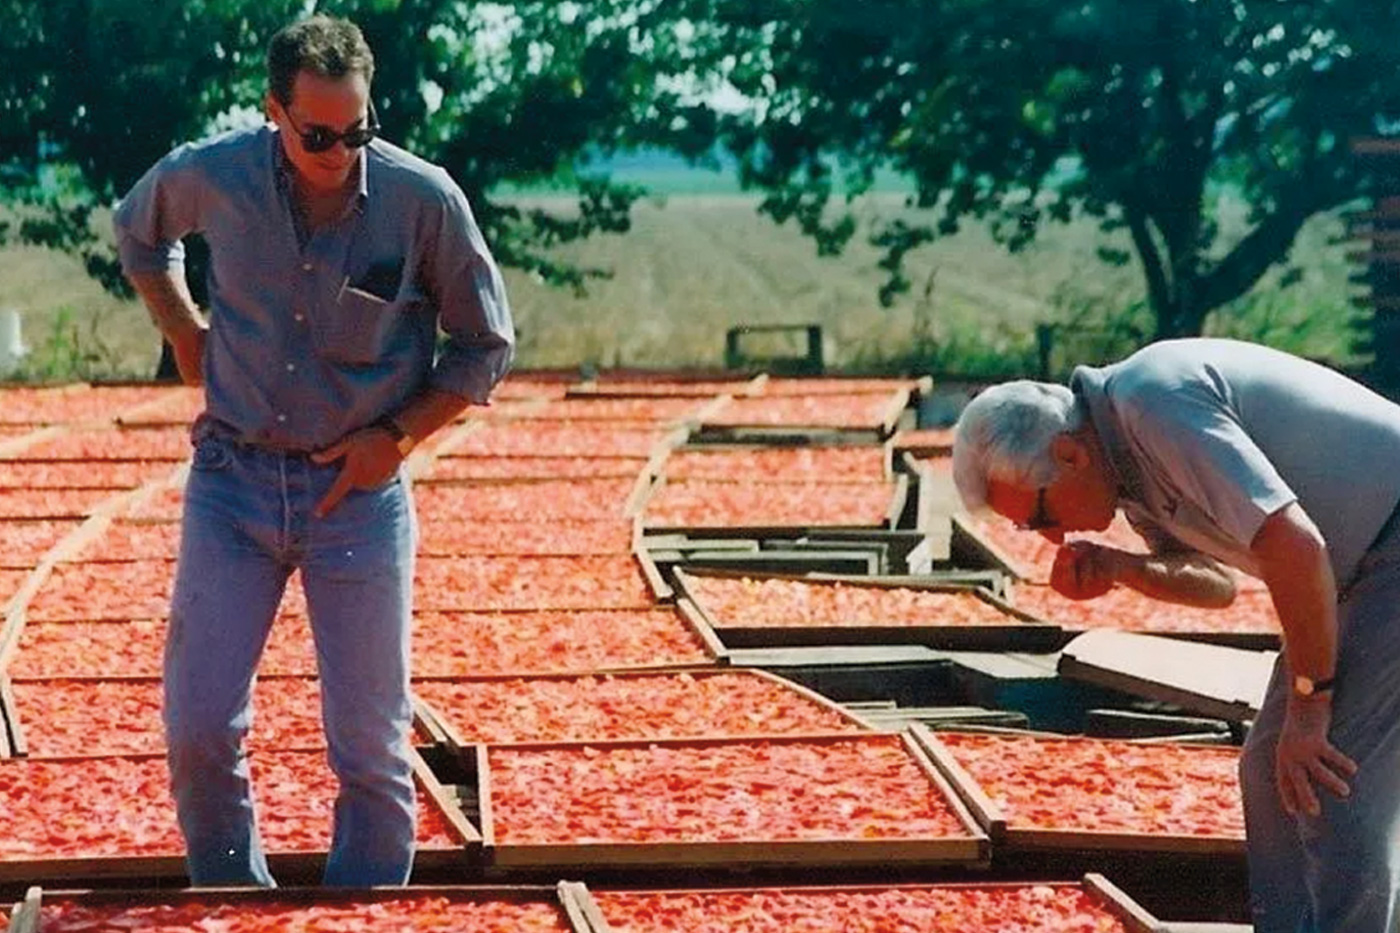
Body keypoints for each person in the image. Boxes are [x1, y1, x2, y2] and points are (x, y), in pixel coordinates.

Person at [113, 15, 514, 887]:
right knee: (198, 724)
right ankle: (227, 890)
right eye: (318, 134)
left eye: (358, 129)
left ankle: (361, 905)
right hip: (234, 483)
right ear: (275, 112)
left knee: (370, 740)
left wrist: (397, 437)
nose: (341, 151)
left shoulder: (423, 201)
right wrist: (182, 327)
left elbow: (485, 344)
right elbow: (138, 229)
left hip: (357, 496)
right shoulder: (216, 174)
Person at [952, 338, 1400, 933]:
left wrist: (1310, 708)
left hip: (1387, 546)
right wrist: (1121, 569)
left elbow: (1295, 547)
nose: (1051, 539)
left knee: (1325, 769)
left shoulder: (1153, 403)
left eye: (1040, 518)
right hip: (1352, 568)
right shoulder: (1121, 461)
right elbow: (1215, 584)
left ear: (1068, 455)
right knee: (1269, 767)